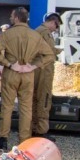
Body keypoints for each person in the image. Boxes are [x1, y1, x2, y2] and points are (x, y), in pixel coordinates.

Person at [0, 7, 56, 150]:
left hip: (11, 72)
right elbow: (50, 55)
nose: (11, 18)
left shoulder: (8, 34)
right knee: (26, 108)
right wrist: (33, 66)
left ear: (17, 18)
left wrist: (9, 64)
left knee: (7, 106)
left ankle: (3, 139)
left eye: (12, 16)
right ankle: (24, 141)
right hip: (28, 74)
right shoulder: (35, 35)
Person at [32, 12, 62, 141]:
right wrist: (59, 51)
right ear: (52, 22)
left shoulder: (37, 31)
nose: (56, 29)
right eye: (57, 26)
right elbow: (48, 52)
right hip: (44, 70)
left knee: (34, 99)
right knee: (44, 98)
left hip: (37, 69)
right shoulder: (44, 32)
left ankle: (33, 128)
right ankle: (41, 131)